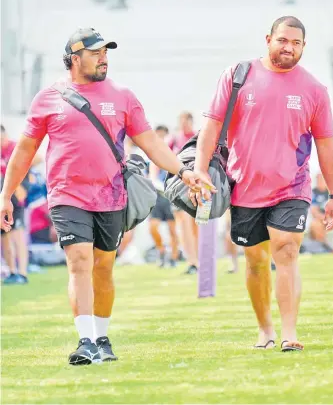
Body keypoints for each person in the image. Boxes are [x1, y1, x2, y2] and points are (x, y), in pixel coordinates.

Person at [0, 27, 215, 366]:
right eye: (96, 52)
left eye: (106, 52)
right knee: (80, 260)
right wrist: (6, 194)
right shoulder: (48, 98)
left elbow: (151, 144)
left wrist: (184, 172)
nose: (104, 58)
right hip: (67, 195)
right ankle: (85, 341)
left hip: (112, 196)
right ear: (74, 58)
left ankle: (101, 336)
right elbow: (25, 150)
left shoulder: (123, 96)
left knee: (103, 267)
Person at [191, 16, 333, 351]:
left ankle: (290, 334)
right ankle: (265, 329)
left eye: (296, 43)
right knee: (256, 261)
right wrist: (200, 169)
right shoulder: (238, 76)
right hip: (244, 186)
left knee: (286, 249)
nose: (289, 48)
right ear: (268, 39)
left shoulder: (314, 89)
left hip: (292, 186)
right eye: (283, 40)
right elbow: (212, 126)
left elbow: (327, 144)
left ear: (304, 47)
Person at [169, 112, 199, 274]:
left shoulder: (196, 136)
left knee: (196, 226)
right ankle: (191, 261)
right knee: (183, 224)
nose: (183, 124)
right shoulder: (174, 139)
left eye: (186, 121)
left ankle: (197, 259)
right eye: (181, 121)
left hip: (196, 185)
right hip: (179, 186)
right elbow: (161, 157)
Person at [1, 125, 30, 285]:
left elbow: (34, 158)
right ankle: (12, 272)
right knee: (5, 237)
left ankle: (23, 273)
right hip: (3, 200)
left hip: (16, 198)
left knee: (17, 236)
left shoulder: (14, 147)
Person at [148, 125, 179, 268]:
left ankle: (173, 257)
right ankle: (161, 251)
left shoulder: (173, 154)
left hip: (170, 195)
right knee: (153, 227)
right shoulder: (151, 154)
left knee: (173, 230)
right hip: (157, 195)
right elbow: (152, 176)